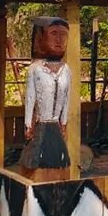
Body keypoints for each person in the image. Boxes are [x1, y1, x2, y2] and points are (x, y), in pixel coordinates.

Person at [18, 16, 71, 181]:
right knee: (35, 160)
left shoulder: (66, 69)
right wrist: (28, 124)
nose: (59, 39)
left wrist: (64, 121)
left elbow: (67, 96)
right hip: (40, 124)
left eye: (63, 34)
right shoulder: (35, 69)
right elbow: (30, 98)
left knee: (61, 161)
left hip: (56, 126)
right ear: (40, 38)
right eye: (54, 33)